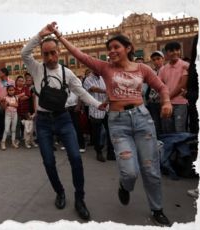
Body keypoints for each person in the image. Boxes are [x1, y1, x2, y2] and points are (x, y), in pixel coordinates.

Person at [49, 22, 173, 226]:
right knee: (129, 172)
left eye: (116, 47)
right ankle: (125, 186)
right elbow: (80, 55)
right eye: (110, 48)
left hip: (143, 120)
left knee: (151, 169)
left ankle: (157, 208)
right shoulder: (105, 68)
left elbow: (161, 87)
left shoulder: (142, 68)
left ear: (128, 48)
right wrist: (59, 36)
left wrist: (166, 101)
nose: (112, 51)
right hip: (119, 123)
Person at [21, 24, 106, 221]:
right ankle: (59, 192)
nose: (50, 58)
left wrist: (98, 104)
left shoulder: (67, 73)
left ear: (59, 52)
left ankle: (80, 198)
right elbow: (24, 53)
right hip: (42, 122)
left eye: (53, 53)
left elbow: (81, 92)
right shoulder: (35, 69)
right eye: (45, 54)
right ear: (41, 55)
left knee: (76, 158)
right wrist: (39, 34)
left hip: (63, 119)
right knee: (48, 162)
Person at [82, 71, 115, 162]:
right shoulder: (88, 79)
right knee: (97, 133)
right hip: (95, 110)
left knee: (110, 132)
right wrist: (106, 91)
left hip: (106, 109)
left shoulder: (103, 78)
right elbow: (93, 89)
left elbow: (109, 90)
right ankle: (98, 152)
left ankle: (110, 153)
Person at [159, 41, 189, 134]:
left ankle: (182, 149)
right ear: (166, 53)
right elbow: (159, 85)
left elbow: (182, 85)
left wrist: (167, 98)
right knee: (168, 131)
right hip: (167, 104)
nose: (175, 52)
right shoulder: (163, 69)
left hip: (180, 103)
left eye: (177, 50)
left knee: (180, 130)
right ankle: (172, 149)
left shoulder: (185, 65)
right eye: (171, 51)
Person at [145, 51, 166, 136]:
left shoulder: (166, 70)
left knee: (165, 125)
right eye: (154, 60)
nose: (156, 61)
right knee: (155, 124)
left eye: (158, 59)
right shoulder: (152, 72)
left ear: (163, 59)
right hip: (152, 102)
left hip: (162, 102)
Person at [1, 85, 19, 150]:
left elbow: (17, 105)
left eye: (12, 90)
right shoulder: (5, 98)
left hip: (15, 114)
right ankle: (3, 142)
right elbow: (3, 107)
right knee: (6, 129)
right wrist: (3, 102)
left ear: (14, 90)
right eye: (10, 90)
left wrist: (9, 104)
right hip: (8, 114)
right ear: (7, 91)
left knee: (13, 129)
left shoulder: (16, 97)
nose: (11, 91)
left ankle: (13, 142)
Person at [14, 75, 31, 142]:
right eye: (19, 81)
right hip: (17, 110)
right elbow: (13, 97)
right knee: (17, 124)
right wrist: (21, 95)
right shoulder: (14, 88)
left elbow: (28, 96)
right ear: (16, 81)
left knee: (26, 125)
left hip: (25, 109)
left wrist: (18, 97)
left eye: (22, 81)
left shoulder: (26, 88)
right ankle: (17, 138)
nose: (20, 82)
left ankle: (26, 138)